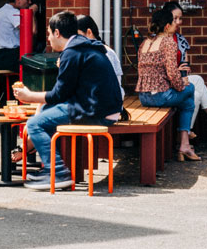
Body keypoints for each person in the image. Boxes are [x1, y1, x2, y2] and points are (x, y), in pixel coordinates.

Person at [12, 11, 123, 191]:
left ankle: (57, 172)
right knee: (46, 113)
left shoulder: (71, 53)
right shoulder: (85, 48)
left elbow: (59, 94)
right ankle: (50, 169)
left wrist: (29, 96)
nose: (48, 39)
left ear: (57, 33)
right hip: (102, 108)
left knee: (34, 124)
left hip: (95, 112)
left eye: (49, 33)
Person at [160, 0, 207, 137]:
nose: (179, 22)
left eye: (180, 18)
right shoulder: (157, 40)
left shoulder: (180, 40)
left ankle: (185, 135)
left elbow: (185, 67)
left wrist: (181, 73)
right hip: (162, 85)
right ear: (166, 19)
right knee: (195, 90)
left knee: (196, 90)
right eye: (175, 18)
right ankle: (190, 133)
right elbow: (156, 70)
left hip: (178, 81)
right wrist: (176, 72)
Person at [136, 6, 199, 160]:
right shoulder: (168, 42)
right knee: (190, 90)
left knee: (186, 100)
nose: (176, 25)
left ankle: (184, 145)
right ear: (167, 26)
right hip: (160, 97)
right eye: (173, 22)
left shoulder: (145, 43)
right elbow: (172, 73)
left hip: (144, 97)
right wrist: (182, 84)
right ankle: (184, 142)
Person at [75, 15, 123, 89]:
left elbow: (114, 84)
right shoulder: (78, 53)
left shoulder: (107, 53)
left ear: (89, 32)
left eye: (77, 36)